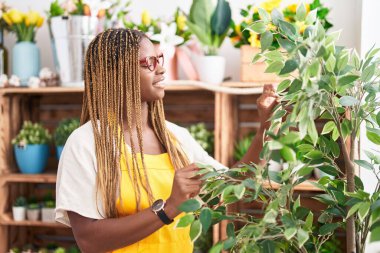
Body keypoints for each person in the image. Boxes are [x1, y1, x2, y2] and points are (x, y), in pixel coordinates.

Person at [55, 28, 278, 253]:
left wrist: (265, 128)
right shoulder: (86, 142)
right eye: (148, 62)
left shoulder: (176, 137)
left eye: (159, 59)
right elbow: (89, 241)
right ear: (117, 72)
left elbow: (234, 185)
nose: (161, 69)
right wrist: (169, 207)